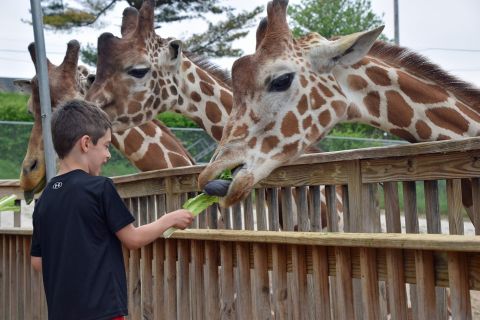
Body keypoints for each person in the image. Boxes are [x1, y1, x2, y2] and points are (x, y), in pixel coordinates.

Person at [30, 99, 194, 320]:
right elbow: (132, 239)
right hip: (102, 311)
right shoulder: (100, 188)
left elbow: (38, 262)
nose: (108, 155)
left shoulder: (45, 198)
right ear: (86, 143)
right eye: (106, 146)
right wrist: (169, 219)